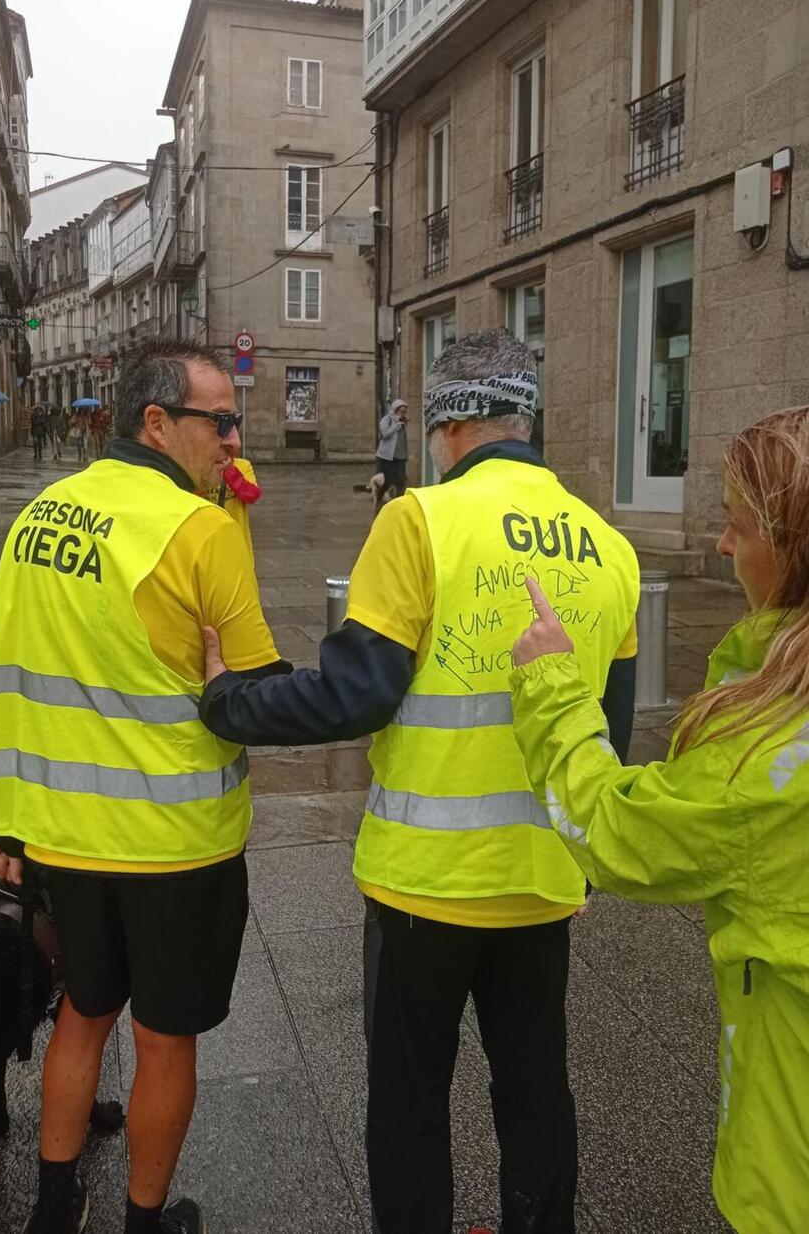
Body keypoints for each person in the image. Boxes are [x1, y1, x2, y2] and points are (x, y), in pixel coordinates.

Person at [198, 330, 641, 1234]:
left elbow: (354, 693)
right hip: (543, 880)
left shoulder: (419, 521)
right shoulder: (608, 546)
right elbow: (611, 736)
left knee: (408, 1098)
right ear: (526, 417)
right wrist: (587, 864)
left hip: (424, 886)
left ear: (448, 426)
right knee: (534, 1090)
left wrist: (230, 701)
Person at [0, 340, 291, 1234]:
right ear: (156, 421)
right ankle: (147, 1219)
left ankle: (52, 1208)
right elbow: (253, 692)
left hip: (66, 834)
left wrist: (1, 823)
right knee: (162, 1037)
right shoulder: (200, 531)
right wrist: (234, 528)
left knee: (84, 1014)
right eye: (219, 421)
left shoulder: (40, 515)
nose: (233, 439)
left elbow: (9, 677)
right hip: (176, 843)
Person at [507, 406, 809, 1234]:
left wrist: (552, 686)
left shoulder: (773, 755)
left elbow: (620, 835)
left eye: (737, 528)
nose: (721, 545)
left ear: (790, 552)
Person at [204, 455, 261, 561]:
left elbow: (252, 495)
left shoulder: (243, 465)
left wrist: (230, 471)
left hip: (237, 538)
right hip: (207, 538)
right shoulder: (201, 465)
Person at [375, 398, 409, 501]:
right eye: (401, 411)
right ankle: (379, 497)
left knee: (400, 482)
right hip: (388, 457)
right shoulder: (387, 420)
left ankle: (399, 503)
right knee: (388, 481)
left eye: (405, 412)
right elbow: (384, 434)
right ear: (395, 410)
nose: (403, 414)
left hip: (401, 456)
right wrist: (396, 427)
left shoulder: (403, 421)